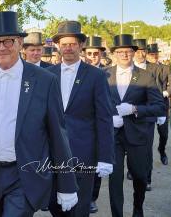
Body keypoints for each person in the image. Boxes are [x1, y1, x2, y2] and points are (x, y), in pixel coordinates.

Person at [0, 11, 78, 216]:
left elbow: (57, 134)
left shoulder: (44, 80)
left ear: (20, 43)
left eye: (8, 41)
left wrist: (67, 184)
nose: (1, 47)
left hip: (24, 175)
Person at [47, 22, 114, 217]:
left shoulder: (97, 76)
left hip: (84, 153)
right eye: (64, 44)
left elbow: (104, 118)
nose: (68, 48)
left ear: (81, 45)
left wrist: (105, 157)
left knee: (80, 207)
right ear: (58, 46)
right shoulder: (47, 75)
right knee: (55, 204)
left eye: (72, 44)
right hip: (53, 153)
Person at [106, 34, 165, 217]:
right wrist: (110, 118)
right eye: (120, 51)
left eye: (128, 51)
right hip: (113, 136)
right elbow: (96, 105)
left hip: (138, 134)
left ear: (134, 52)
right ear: (114, 53)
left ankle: (138, 208)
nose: (125, 55)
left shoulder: (146, 76)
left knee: (139, 176)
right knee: (114, 180)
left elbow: (159, 106)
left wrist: (134, 109)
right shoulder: (104, 74)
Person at [132, 38, 163, 190]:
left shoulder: (155, 69)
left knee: (146, 150)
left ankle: (147, 179)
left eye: (143, 51)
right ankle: (133, 172)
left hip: (147, 117)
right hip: (127, 118)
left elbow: (157, 96)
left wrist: (161, 113)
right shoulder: (124, 68)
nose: (141, 54)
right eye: (137, 51)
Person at [82, 35, 108, 213]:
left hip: (104, 123)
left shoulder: (108, 73)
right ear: (84, 53)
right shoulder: (78, 71)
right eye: (89, 53)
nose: (92, 56)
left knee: (95, 167)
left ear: (100, 54)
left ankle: (92, 198)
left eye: (95, 53)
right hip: (83, 126)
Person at [146, 43, 171, 165]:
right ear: (147, 55)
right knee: (145, 137)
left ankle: (162, 151)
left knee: (164, 134)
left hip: (162, 105)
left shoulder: (166, 68)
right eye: (151, 54)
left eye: (156, 54)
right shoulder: (142, 69)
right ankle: (141, 162)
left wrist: (167, 92)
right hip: (147, 106)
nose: (154, 56)